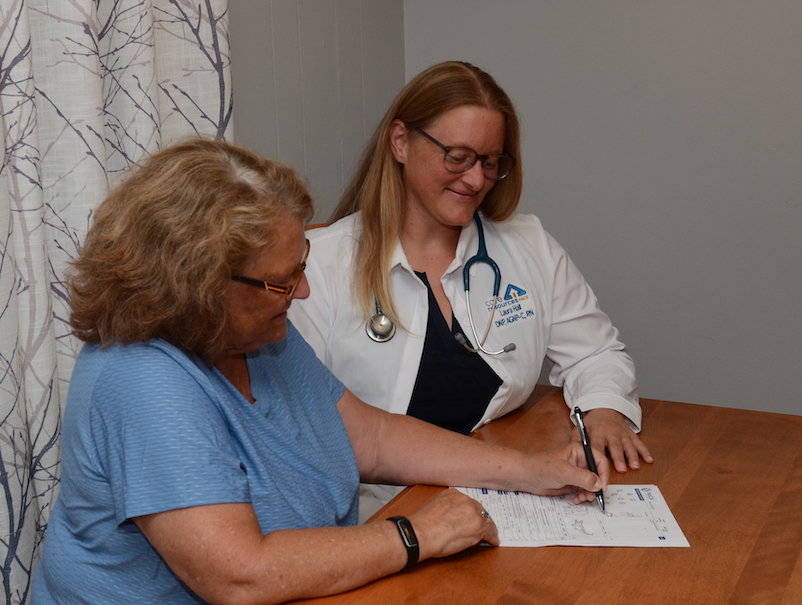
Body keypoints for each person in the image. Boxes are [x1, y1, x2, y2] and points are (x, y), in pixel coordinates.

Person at [31, 138, 609, 605]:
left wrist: (528, 471)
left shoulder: (257, 338)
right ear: (201, 286)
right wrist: (416, 535)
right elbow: (240, 575)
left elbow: (372, 437)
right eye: (284, 280)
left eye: (301, 266)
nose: (303, 291)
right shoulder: (141, 381)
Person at [287, 61, 652, 517]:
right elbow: (309, 432)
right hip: (377, 512)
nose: (477, 180)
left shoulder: (526, 244)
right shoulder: (319, 267)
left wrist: (604, 410)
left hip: (505, 494)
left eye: (490, 162)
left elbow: (595, 353)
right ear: (400, 141)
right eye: (457, 157)